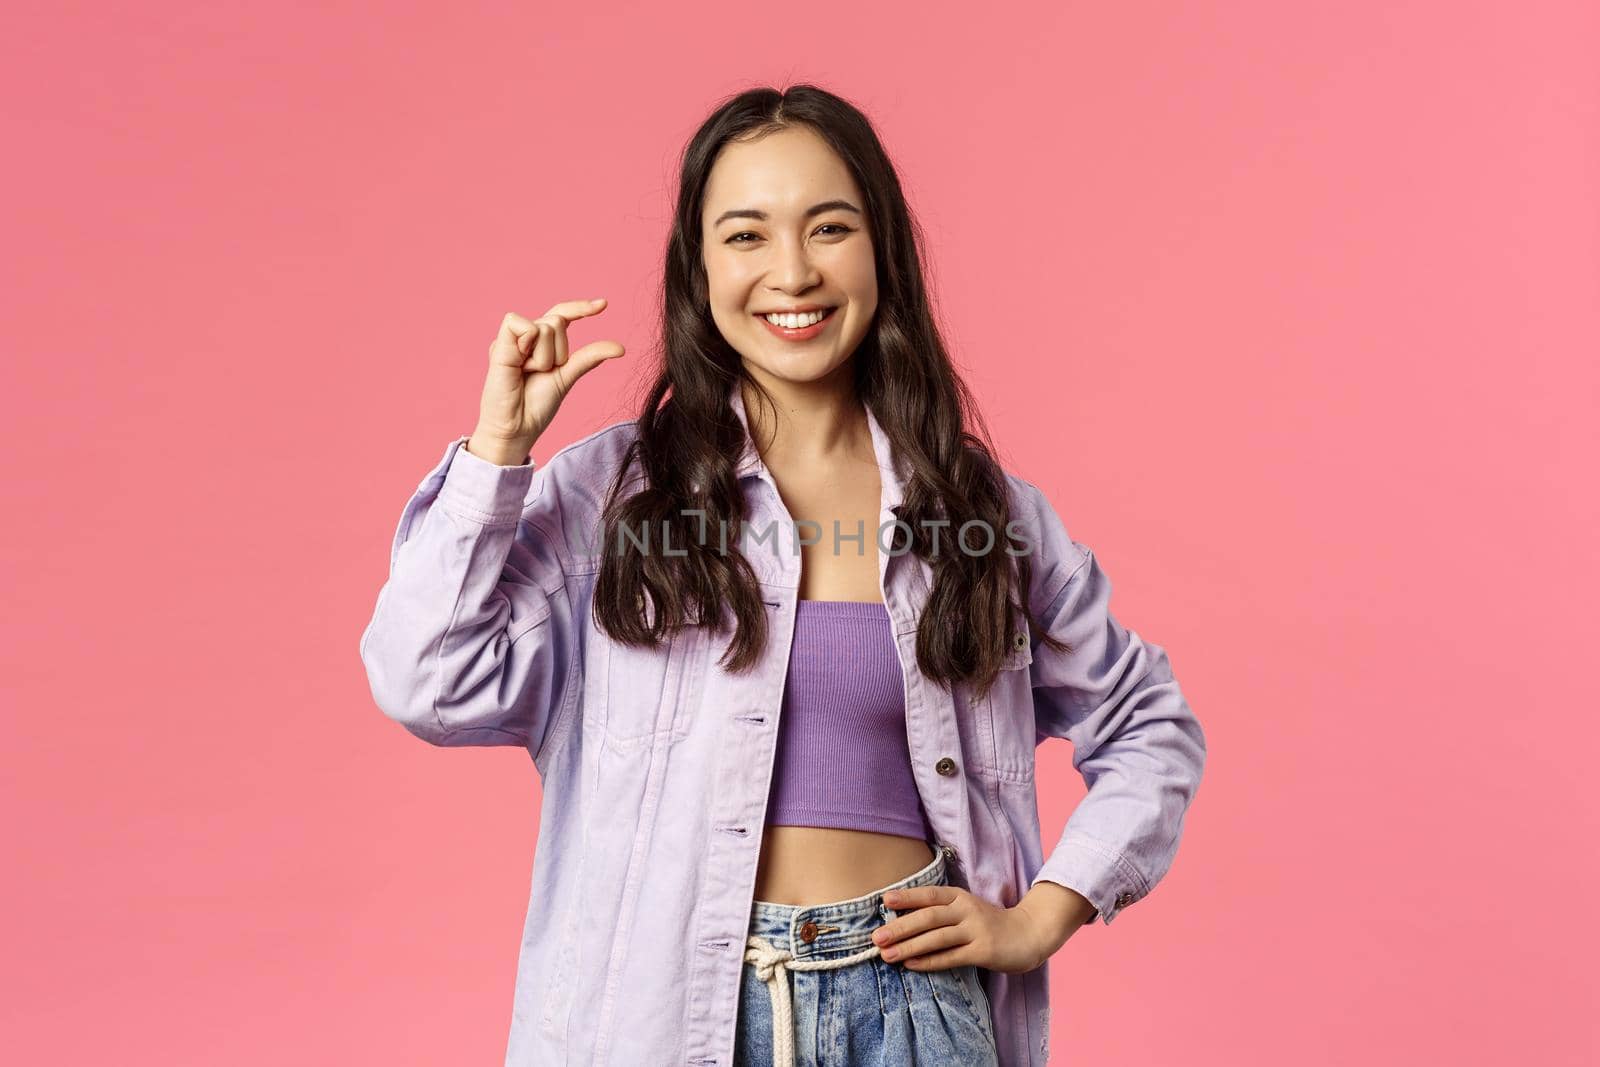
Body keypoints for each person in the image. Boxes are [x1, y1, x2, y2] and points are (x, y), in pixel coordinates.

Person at [359, 83, 1207, 1067]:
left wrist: (1042, 915)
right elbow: (426, 680)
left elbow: (1149, 723)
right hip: (664, 1016)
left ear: (882, 249)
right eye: (747, 235)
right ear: (700, 265)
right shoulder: (612, 496)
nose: (792, 272)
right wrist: (497, 451)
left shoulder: (978, 514)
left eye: (829, 227)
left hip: (913, 1013)